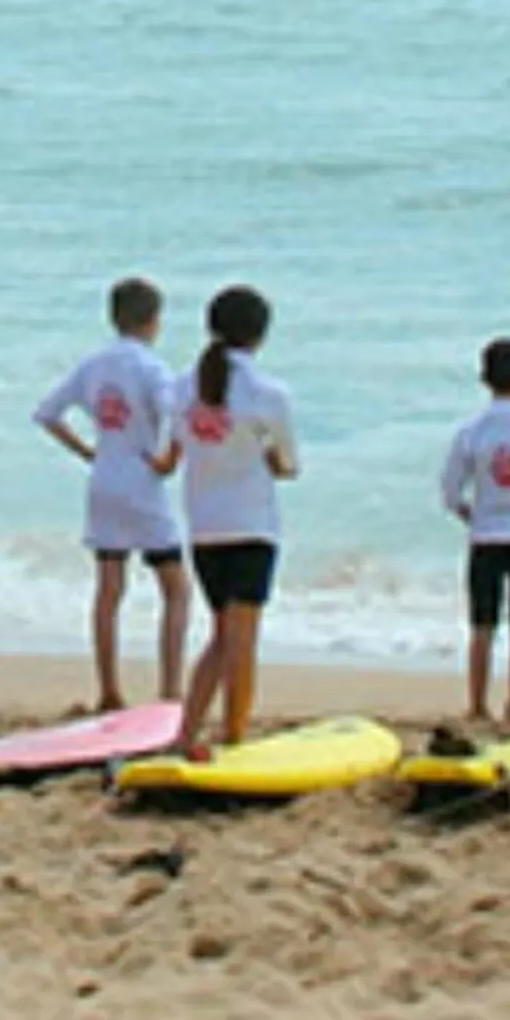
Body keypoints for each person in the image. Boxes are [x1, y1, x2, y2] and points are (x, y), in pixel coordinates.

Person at [29, 277, 189, 712]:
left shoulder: (94, 365)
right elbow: (178, 415)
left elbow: (47, 414)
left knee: (108, 589)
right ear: (153, 321)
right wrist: (170, 459)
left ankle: (109, 689)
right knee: (175, 587)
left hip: (104, 479)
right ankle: (172, 688)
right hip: (142, 480)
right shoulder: (151, 368)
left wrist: (85, 450)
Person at [160, 285, 299, 763]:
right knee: (242, 640)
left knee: (221, 636)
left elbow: (174, 452)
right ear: (260, 335)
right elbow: (287, 465)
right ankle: (235, 736)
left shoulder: (180, 390)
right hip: (252, 525)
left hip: (203, 527)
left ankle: (188, 731)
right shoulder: (269, 394)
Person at [437, 336, 510, 730]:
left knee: (482, 627)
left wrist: (470, 514)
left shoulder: (473, 430)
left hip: (485, 536)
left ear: (484, 378)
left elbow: (451, 490)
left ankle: (477, 704)